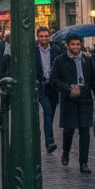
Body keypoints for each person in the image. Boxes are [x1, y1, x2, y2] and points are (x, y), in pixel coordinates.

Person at [51, 33, 95, 173]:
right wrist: (68, 88)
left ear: (81, 45)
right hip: (69, 100)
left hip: (85, 98)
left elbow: (94, 81)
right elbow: (54, 79)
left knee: (85, 132)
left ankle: (83, 163)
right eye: (73, 44)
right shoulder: (60, 60)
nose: (75, 47)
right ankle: (66, 152)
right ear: (67, 45)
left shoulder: (87, 59)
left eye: (78, 44)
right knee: (69, 130)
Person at [34, 26, 60, 154]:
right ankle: (50, 141)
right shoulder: (33, 52)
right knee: (47, 112)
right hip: (42, 87)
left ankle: (48, 140)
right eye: (41, 36)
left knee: (51, 113)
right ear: (37, 38)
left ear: (49, 37)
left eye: (46, 36)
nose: (44, 38)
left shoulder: (56, 50)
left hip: (53, 87)